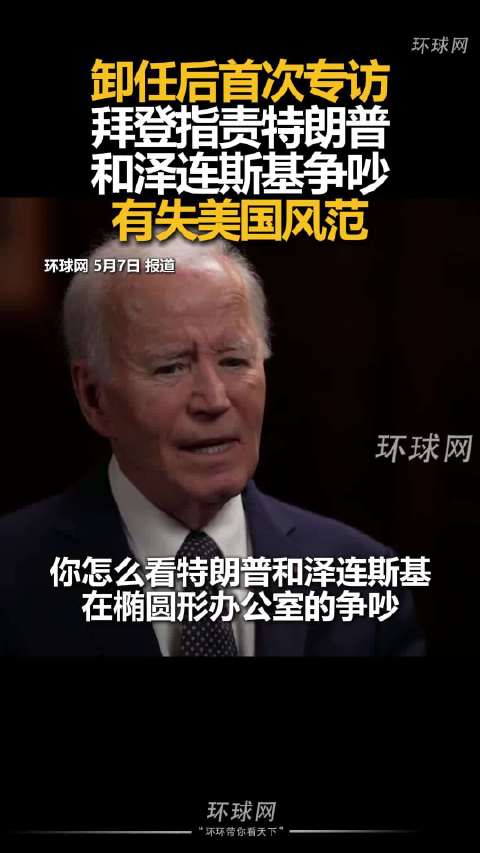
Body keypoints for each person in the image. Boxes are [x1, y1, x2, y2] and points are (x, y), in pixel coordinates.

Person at [0, 235, 424, 656]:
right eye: (171, 367)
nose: (215, 400)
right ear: (94, 397)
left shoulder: (364, 580)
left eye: (234, 361)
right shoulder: (12, 575)